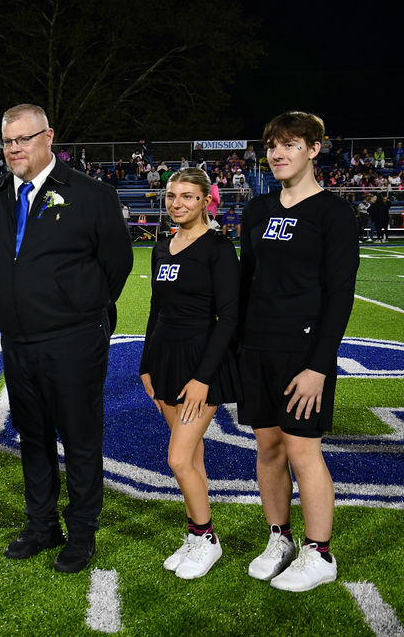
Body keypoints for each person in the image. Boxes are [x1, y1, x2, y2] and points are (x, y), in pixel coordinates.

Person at [0, 104, 133, 573]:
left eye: (23, 139)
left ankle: (81, 533)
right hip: (17, 341)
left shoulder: (90, 193)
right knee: (32, 437)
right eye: (8, 141)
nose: (14, 148)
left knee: (80, 439)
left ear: (48, 138)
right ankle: (41, 525)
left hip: (73, 339)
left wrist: (79, 307)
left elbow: (118, 262)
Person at [238, 111, 359, 592]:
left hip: (302, 352)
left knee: (303, 449)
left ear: (313, 149)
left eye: (290, 144)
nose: (278, 153)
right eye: (272, 145)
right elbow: (246, 282)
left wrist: (318, 366)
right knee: (268, 447)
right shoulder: (257, 209)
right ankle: (280, 539)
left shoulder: (333, 213)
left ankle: (319, 553)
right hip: (257, 346)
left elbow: (340, 295)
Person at [139, 168, 240, 580]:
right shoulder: (161, 247)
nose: (177, 204)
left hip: (200, 363)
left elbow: (229, 317)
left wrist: (203, 378)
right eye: (171, 196)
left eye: (187, 196)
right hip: (165, 359)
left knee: (178, 459)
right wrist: (146, 364)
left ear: (205, 201)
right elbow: (156, 309)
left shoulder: (218, 247)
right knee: (192, 458)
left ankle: (207, 537)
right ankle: (196, 535)